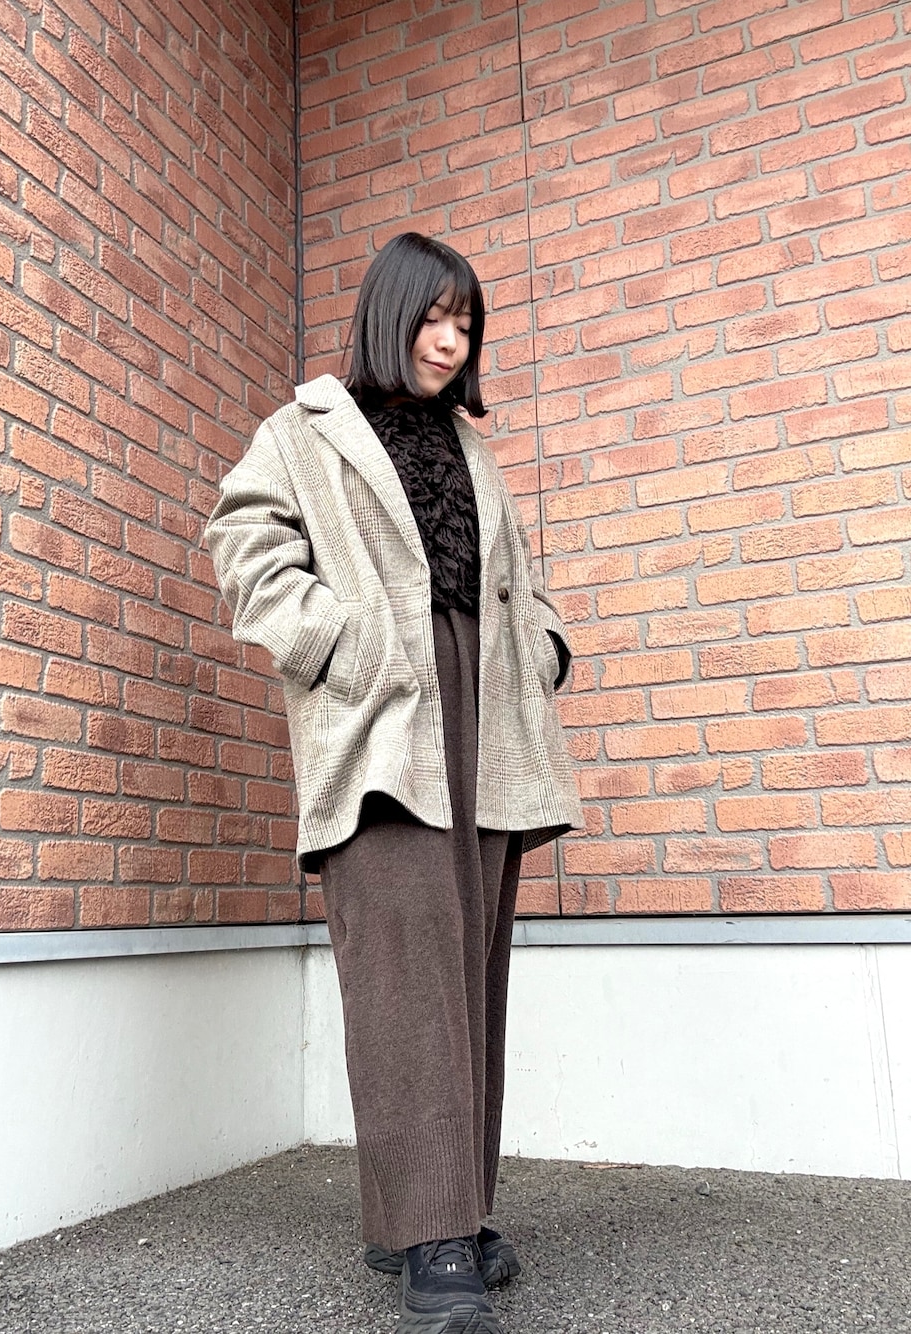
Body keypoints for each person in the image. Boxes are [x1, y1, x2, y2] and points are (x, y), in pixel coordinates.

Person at [205, 232, 582, 1334]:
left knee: (466, 976)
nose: (451, 340)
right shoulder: (305, 430)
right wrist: (341, 643)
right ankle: (432, 1237)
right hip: (381, 722)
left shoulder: (473, 451)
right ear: (389, 313)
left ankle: (446, 1210)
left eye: (466, 323)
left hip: (487, 724)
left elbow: (522, 581)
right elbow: (244, 544)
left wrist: (546, 647)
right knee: (404, 981)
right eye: (433, 317)